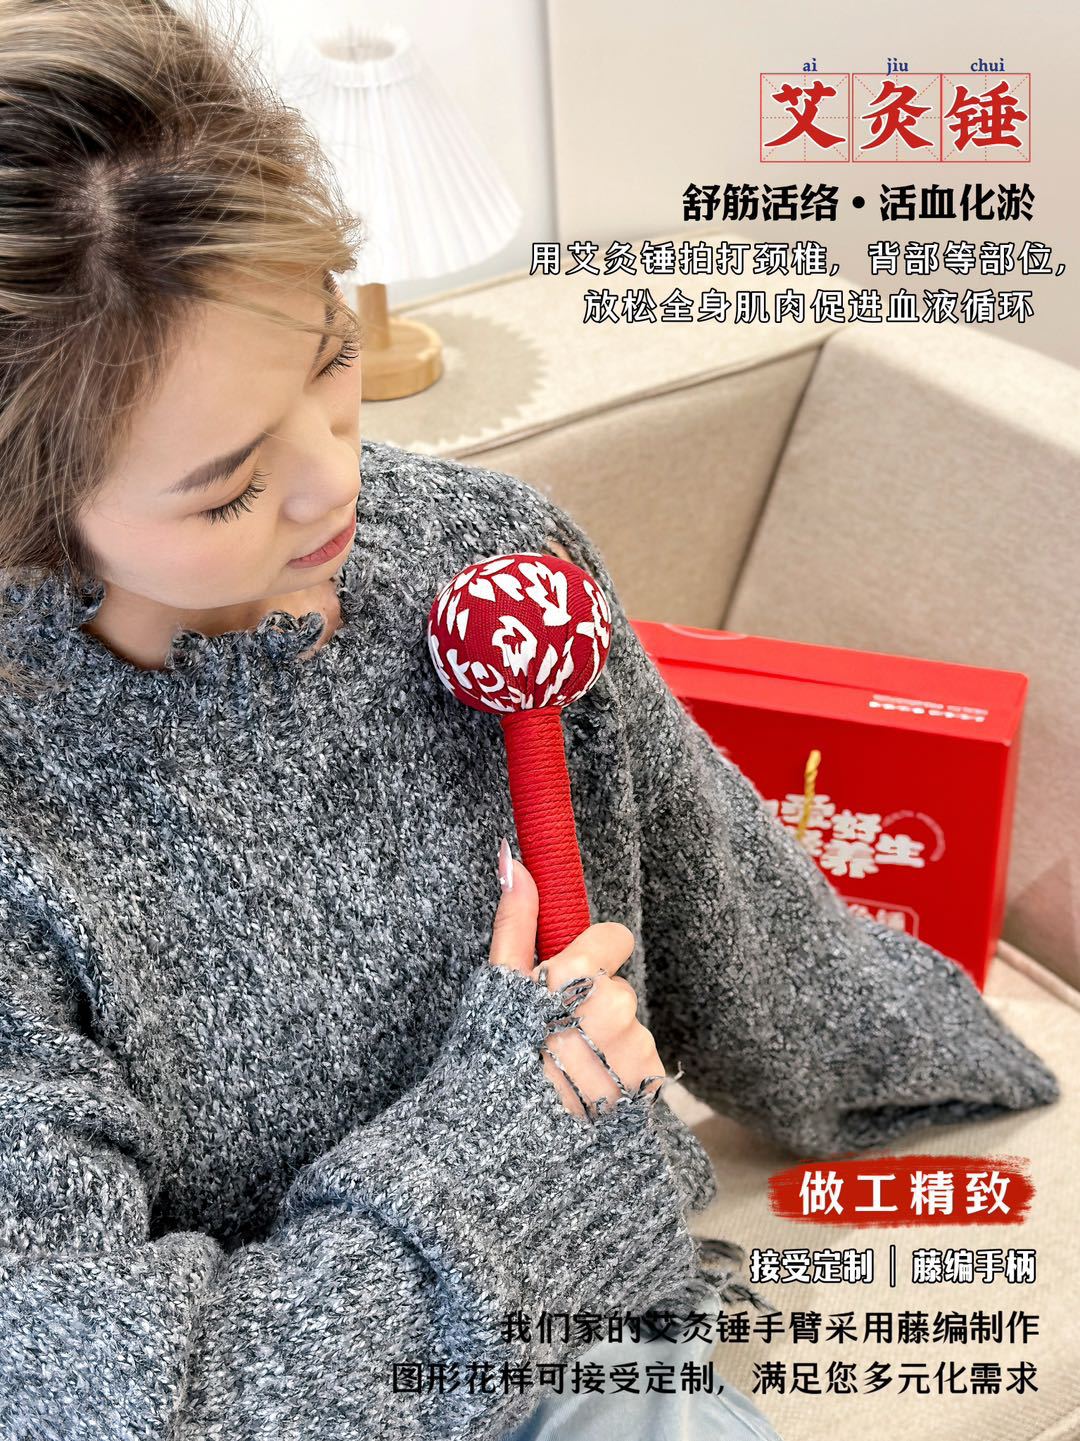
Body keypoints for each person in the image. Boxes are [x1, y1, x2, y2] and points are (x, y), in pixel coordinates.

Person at [0, 4, 1058, 1440]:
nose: (337, 482)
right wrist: (503, 1145)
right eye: (230, 487)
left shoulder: (490, 569)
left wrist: (986, 1057)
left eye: (329, 357)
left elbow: (735, 913)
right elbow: (116, 1404)